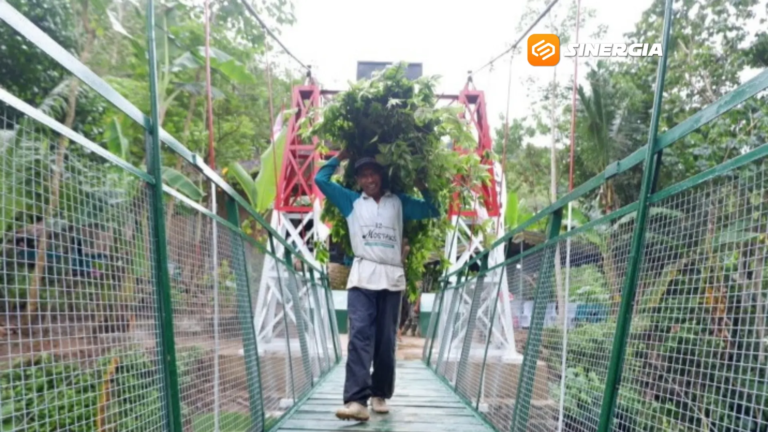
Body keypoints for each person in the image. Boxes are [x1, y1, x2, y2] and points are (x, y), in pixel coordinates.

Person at [315, 149, 441, 421]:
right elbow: (321, 179)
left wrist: (422, 186)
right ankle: (356, 401)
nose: (369, 178)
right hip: (361, 278)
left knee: (385, 341)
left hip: (391, 280)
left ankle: (380, 393)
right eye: (363, 174)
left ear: (381, 176)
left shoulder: (398, 202)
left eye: (373, 173)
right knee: (359, 335)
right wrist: (342, 155)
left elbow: (433, 209)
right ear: (358, 179)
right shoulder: (350, 202)